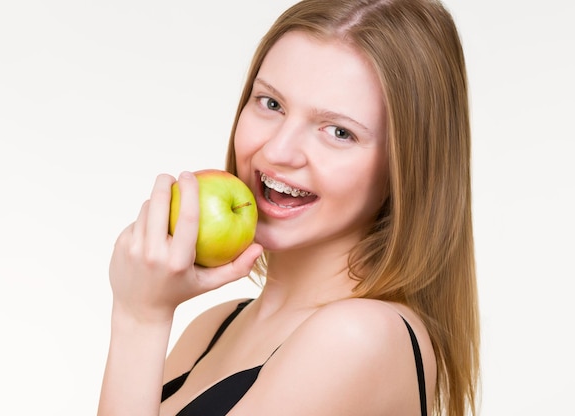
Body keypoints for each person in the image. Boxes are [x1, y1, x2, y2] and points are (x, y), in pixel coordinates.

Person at [97, 0, 480, 414]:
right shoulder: (213, 327)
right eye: (271, 104)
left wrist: (139, 320)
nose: (278, 151)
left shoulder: (360, 337)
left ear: (406, 167)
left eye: (338, 132)